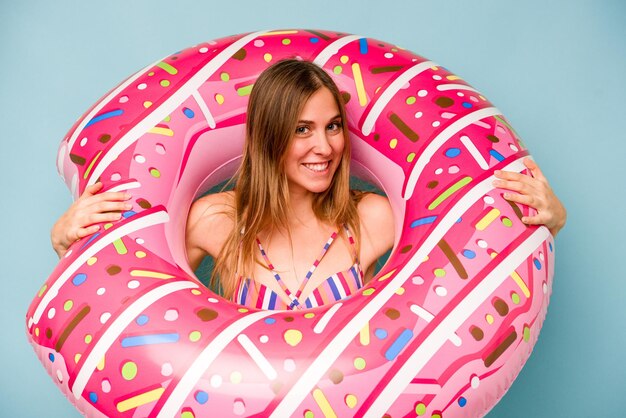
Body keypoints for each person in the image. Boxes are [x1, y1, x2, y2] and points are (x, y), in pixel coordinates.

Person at [50, 59, 567, 310]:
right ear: (269, 137)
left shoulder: (370, 219)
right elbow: (124, 286)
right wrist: (64, 239)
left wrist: (554, 216)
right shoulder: (215, 221)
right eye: (301, 130)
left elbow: (481, 250)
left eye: (333, 126)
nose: (325, 147)